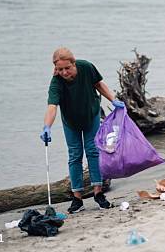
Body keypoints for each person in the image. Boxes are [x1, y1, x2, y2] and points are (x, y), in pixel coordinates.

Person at [40, 47, 125, 213]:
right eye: (60, 69)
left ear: (74, 63)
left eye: (67, 68)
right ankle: (77, 198)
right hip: (71, 121)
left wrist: (113, 100)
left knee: (93, 151)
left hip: (91, 115)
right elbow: (52, 107)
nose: (64, 72)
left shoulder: (86, 67)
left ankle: (98, 194)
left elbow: (99, 84)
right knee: (74, 155)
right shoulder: (56, 82)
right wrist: (46, 127)